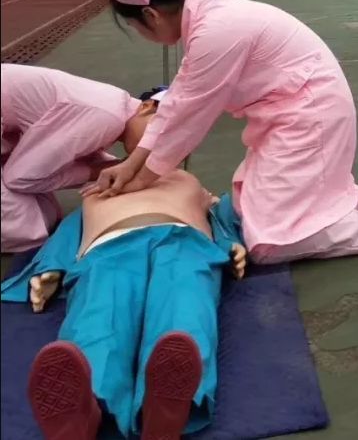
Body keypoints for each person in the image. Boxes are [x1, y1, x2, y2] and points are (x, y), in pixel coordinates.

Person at [85, 0, 358, 263]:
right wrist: (132, 166)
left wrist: (141, 179)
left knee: (269, 244)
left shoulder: (215, 29)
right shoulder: (209, 13)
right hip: (299, 112)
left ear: (150, 16)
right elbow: (179, 101)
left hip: (309, 117)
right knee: (247, 209)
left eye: (137, 27)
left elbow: (187, 118)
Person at [3, 170, 246, 439]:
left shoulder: (188, 182)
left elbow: (218, 213)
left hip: (185, 241)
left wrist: (229, 242)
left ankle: (165, 411)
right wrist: (51, 267)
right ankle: (84, 408)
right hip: (108, 247)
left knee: (184, 309)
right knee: (101, 313)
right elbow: (70, 229)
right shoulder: (98, 188)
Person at [1, 66, 162, 253]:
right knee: (24, 230)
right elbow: (20, 178)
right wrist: (97, 172)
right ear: (147, 106)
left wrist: (116, 166)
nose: (155, 146)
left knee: (46, 215)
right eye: (159, 133)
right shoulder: (108, 118)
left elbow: (73, 149)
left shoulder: (117, 106)